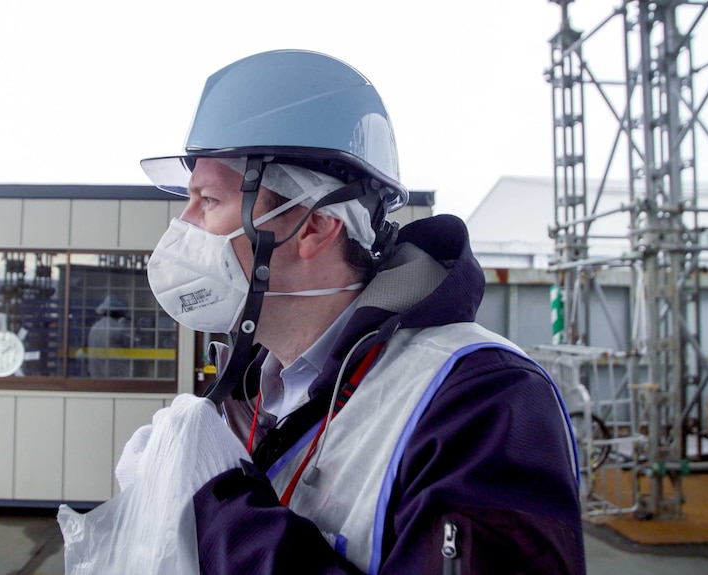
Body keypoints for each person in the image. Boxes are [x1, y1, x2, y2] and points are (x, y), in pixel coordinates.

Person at [115, 49, 585, 573]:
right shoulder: (252, 392)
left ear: (313, 226)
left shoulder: (482, 400)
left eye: (207, 199)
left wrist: (218, 513)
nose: (183, 226)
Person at [87, 294, 133, 378]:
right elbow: (132, 347)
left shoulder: (95, 327)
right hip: (116, 375)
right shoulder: (118, 328)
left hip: (95, 375)